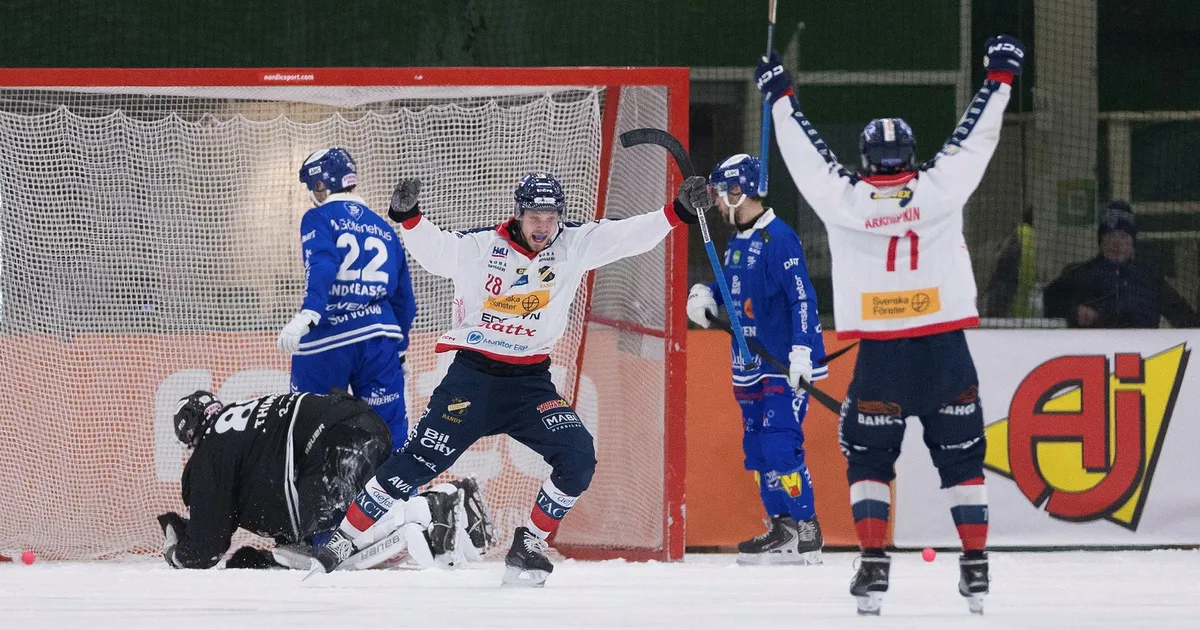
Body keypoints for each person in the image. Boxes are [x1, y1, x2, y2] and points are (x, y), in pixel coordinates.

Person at [307, 171, 708, 586]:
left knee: (578, 458)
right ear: (518, 214)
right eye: (534, 216)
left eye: (550, 217)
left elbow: (627, 236)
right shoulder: (483, 246)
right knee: (415, 463)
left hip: (530, 385)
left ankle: (529, 543)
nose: (543, 226)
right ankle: (343, 540)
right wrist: (409, 217)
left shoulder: (573, 244)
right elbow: (437, 253)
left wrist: (677, 211)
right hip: (471, 381)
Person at [754, 34, 1026, 615]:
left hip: (882, 359)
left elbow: (807, 156)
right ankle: (976, 566)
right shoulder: (941, 187)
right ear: (911, 154)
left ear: (865, 158)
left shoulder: (845, 200)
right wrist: (999, 76)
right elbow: (974, 136)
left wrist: (779, 95)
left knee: (869, 459)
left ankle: (874, 564)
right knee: (962, 462)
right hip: (946, 352)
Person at [157, 389, 493, 570]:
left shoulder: (209, 451)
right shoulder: (242, 419)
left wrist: (176, 551)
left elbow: (205, 549)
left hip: (333, 444)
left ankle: (432, 505)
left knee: (334, 553)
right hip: (363, 425)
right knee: (317, 543)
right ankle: (452, 512)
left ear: (188, 434)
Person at [685, 153, 827, 565]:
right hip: (748, 362)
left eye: (719, 192)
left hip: (783, 362)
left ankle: (807, 525)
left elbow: (803, 297)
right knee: (758, 449)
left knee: (781, 444)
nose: (715, 201)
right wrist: (706, 293)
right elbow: (734, 283)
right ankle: (782, 526)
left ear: (738, 190)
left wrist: (802, 350)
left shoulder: (779, 238)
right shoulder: (738, 240)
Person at [278, 147, 417, 444]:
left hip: (329, 340)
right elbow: (404, 299)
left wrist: (309, 313)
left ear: (320, 184)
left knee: (309, 431)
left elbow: (322, 263)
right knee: (388, 433)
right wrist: (401, 348)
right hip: (379, 341)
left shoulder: (318, 217)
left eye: (311, 186)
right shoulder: (384, 229)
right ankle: (395, 478)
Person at [1043, 201, 1199, 328]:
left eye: (1123, 235)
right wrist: (1074, 312)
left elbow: (1185, 318)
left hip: (1142, 353)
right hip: (1094, 352)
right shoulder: (1079, 274)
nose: (1117, 242)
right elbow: (1049, 302)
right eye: (1110, 235)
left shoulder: (1150, 279)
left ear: (1132, 241)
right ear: (1100, 240)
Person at [983, 206, 1037, 318]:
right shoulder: (1031, 235)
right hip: (1023, 285)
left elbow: (1004, 257)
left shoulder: (1018, 232)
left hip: (1010, 283)